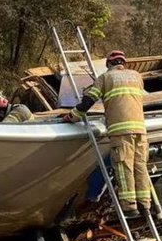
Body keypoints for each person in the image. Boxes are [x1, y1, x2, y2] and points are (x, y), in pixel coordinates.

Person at [63, 50, 149, 218]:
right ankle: (145, 204)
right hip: (140, 130)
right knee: (140, 166)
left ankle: (129, 206)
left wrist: (72, 116)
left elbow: (88, 102)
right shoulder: (137, 77)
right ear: (123, 62)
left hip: (120, 131)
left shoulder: (105, 78)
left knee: (124, 167)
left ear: (109, 64)